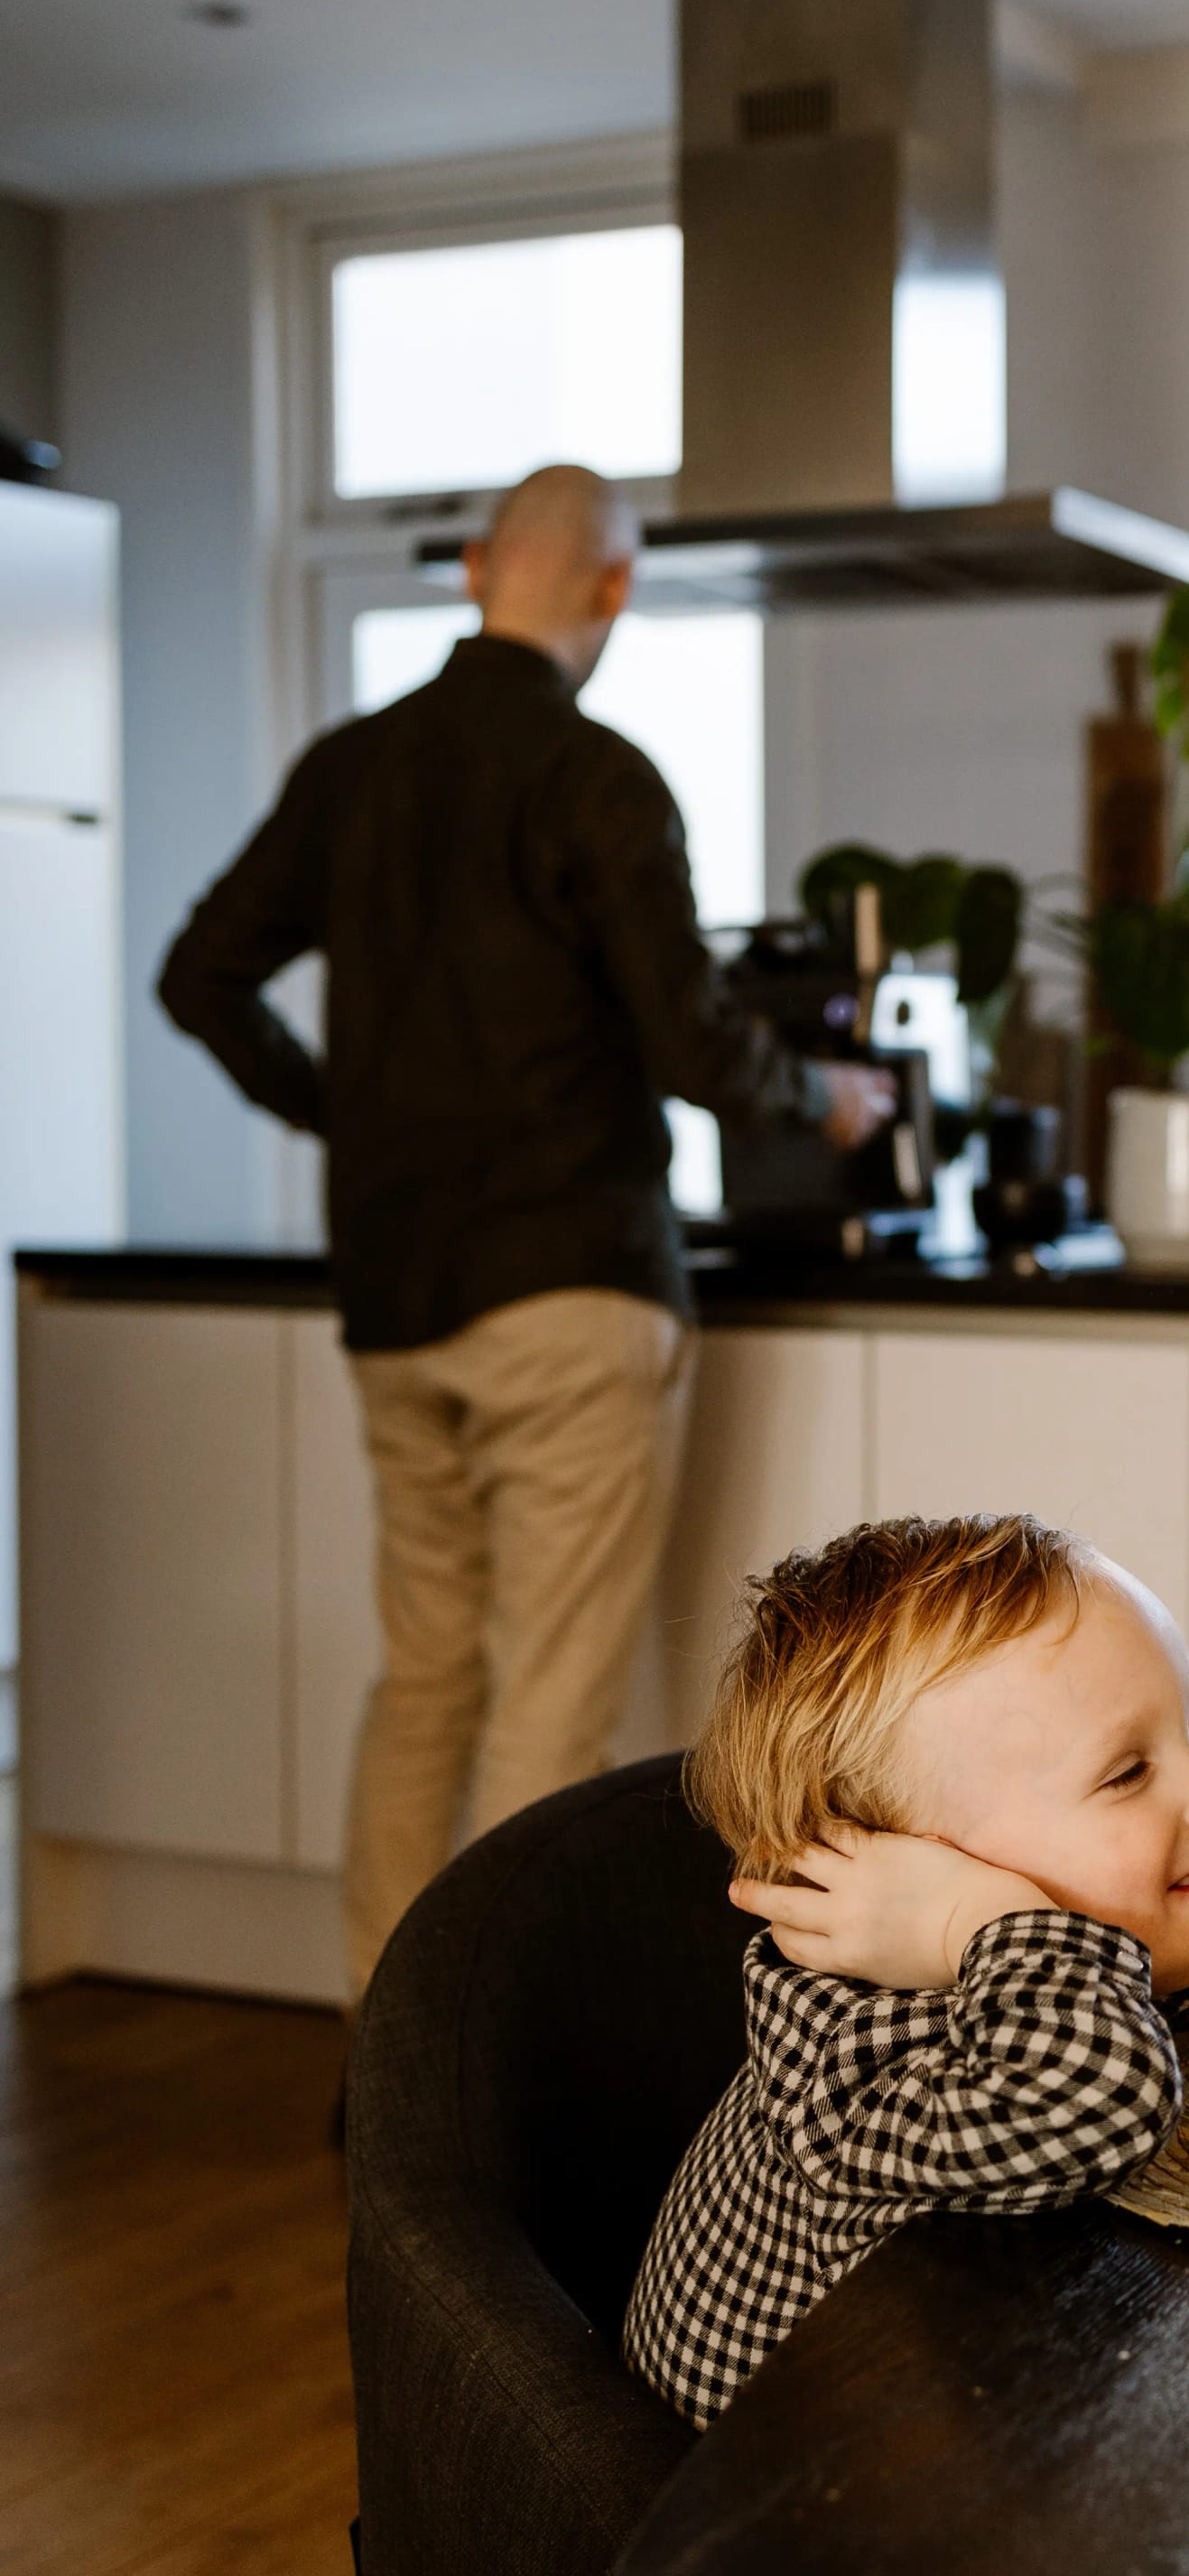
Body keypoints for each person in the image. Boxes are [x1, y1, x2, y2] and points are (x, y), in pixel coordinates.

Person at [158, 463, 892, 2003]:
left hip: (398, 1292)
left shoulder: (350, 770)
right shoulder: (597, 776)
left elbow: (200, 974)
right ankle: (482, 2087)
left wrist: (346, 1114)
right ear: (612, 591)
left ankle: (387, 2054)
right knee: (548, 1702)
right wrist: (815, 1092)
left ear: (481, 566)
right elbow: (696, 1046)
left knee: (426, 1671)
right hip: (566, 1285)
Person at [623, 1511, 1189, 2427]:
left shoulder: (1099, 1942)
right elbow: (1101, 2099)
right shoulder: (856, 2054)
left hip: (1003, 2413)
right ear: (907, 1874)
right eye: (1126, 1774)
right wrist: (980, 1914)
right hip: (785, 2518)